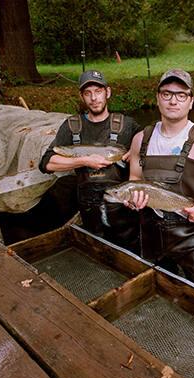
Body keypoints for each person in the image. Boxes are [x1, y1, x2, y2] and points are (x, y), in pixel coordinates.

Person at [126, 69, 194, 293]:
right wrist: (131, 200)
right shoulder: (141, 139)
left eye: (181, 95)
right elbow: (135, 179)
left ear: (191, 101)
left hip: (193, 234)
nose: (173, 101)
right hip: (151, 234)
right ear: (158, 98)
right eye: (167, 94)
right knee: (156, 292)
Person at [39, 69, 141, 250]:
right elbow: (46, 163)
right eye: (88, 93)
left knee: (129, 250)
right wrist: (84, 161)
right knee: (97, 249)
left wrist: (137, 151)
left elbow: (152, 143)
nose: (94, 98)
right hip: (88, 205)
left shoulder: (127, 124)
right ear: (82, 97)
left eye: (98, 91)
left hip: (122, 204)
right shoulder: (72, 126)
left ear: (107, 92)